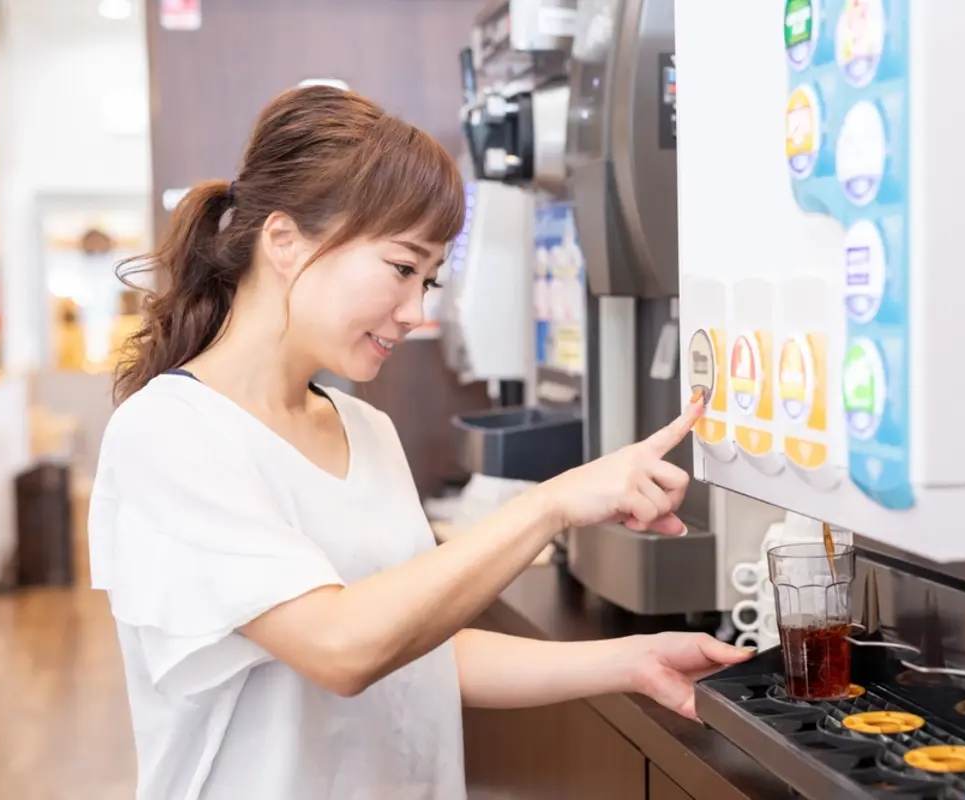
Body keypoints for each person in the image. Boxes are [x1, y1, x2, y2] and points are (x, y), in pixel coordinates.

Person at [88, 85, 750, 800]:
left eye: (430, 280)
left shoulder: (367, 431)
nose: (415, 312)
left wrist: (629, 662)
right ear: (283, 240)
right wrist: (552, 504)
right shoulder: (170, 433)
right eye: (402, 269)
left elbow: (417, 649)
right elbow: (342, 647)